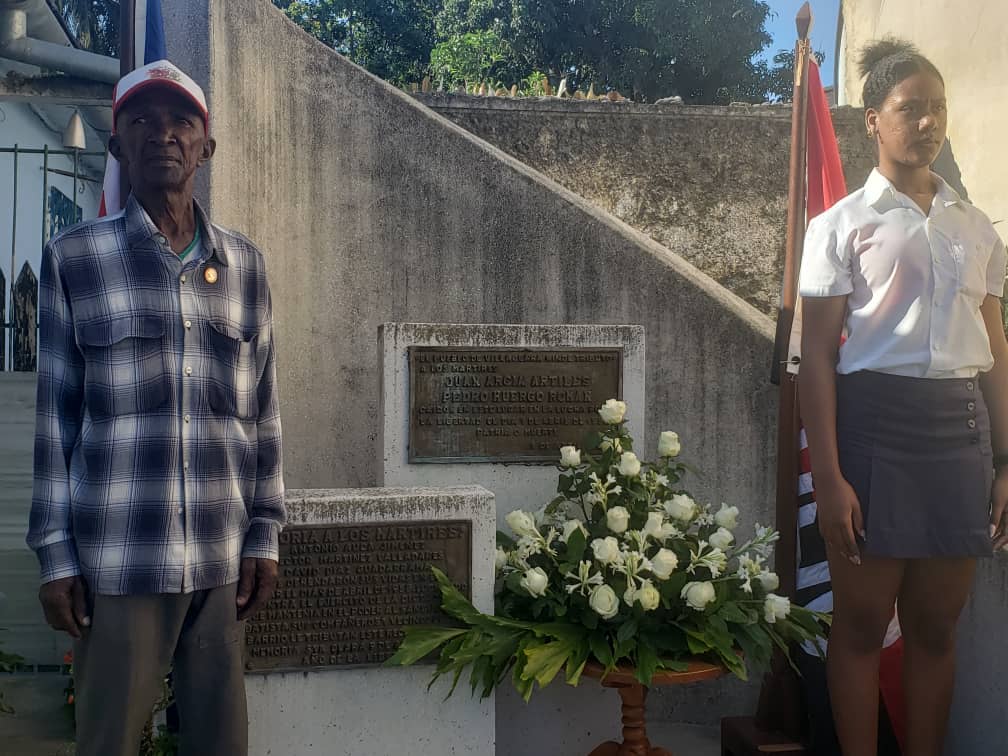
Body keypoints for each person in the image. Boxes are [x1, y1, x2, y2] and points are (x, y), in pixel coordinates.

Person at [27, 60, 285, 756]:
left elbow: (262, 415)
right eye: (142, 120)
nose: (162, 134)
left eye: (182, 121)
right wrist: (56, 557)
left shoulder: (246, 268)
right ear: (117, 146)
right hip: (120, 559)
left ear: (207, 144)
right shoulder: (73, 260)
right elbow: (56, 419)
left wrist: (264, 533)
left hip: (220, 563)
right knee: (108, 742)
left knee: (222, 745)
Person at [798, 39, 1008, 756]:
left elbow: (995, 353)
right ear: (872, 121)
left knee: (936, 631)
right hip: (874, 436)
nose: (927, 123)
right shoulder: (839, 227)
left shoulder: (976, 229)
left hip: (959, 440)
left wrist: (1006, 460)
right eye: (909, 108)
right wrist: (828, 480)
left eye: (937, 108)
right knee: (858, 631)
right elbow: (817, 361)